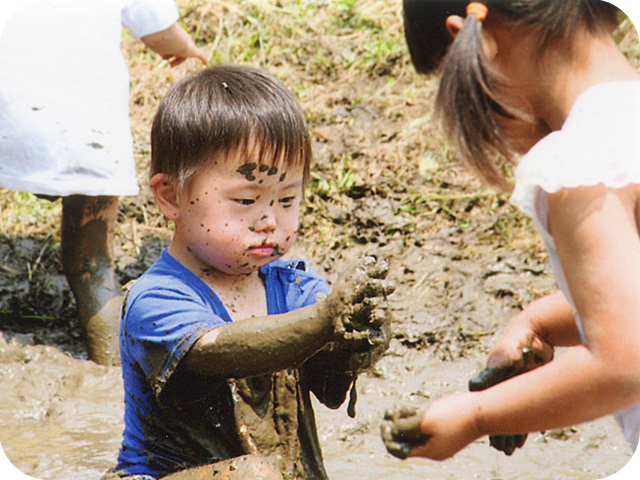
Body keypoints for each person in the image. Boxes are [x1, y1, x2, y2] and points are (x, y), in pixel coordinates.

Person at [381, 0, 640, 462]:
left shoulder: (583, 162)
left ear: (477, 39)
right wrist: (536, 321)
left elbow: (625, 361)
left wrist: (478, 414)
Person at [108, 64, 395, 480]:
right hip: (163, 475)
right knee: (255, 475)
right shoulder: (155, 297)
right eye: (245, 200)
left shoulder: (295, 286)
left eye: (286, 200)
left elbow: (331, 385)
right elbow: (218, 350)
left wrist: (360, 339)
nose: (268, 221)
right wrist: (324, 321)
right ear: (170, 197)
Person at [0, 0, 208, 366]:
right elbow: (160, 33)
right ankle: (113, 375)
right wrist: (184, 47)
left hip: (9, 110)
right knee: (93, 265)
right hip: (86, 127)